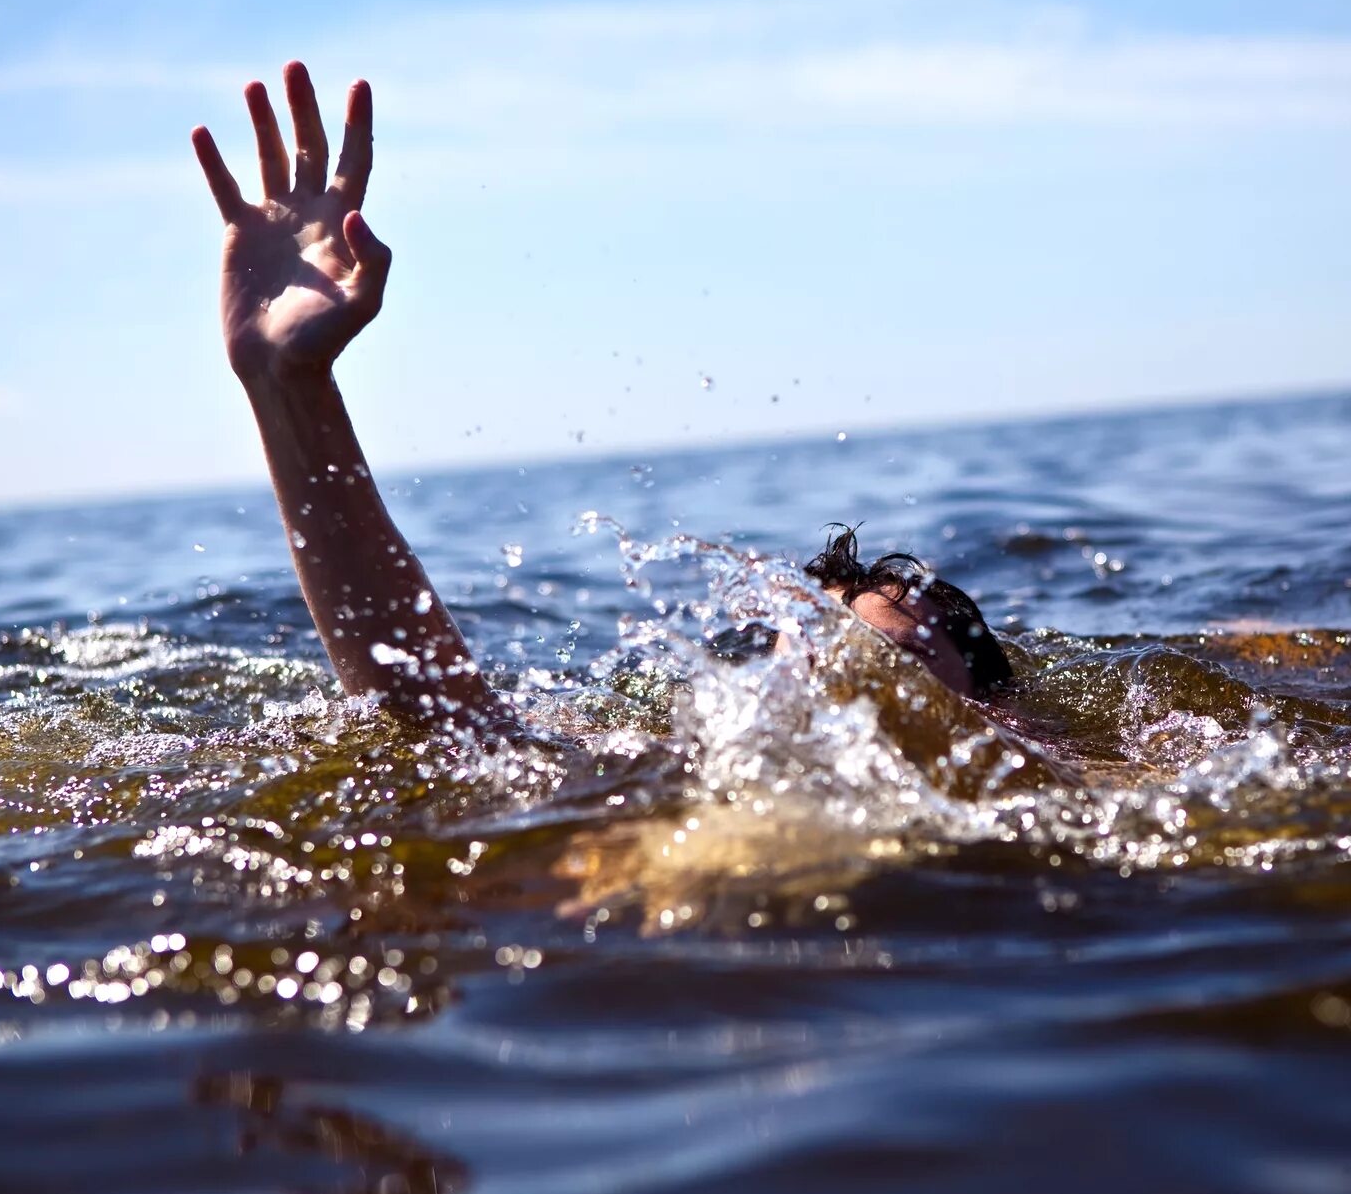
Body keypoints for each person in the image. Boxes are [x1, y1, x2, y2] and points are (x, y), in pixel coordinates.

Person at [190, 62, 1009, 740]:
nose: (840, 676)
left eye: (895, 662)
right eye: (819, 653)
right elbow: (446, 728)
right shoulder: (670, 776)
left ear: (994, 719)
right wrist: (287, 388)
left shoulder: (1038, 793)